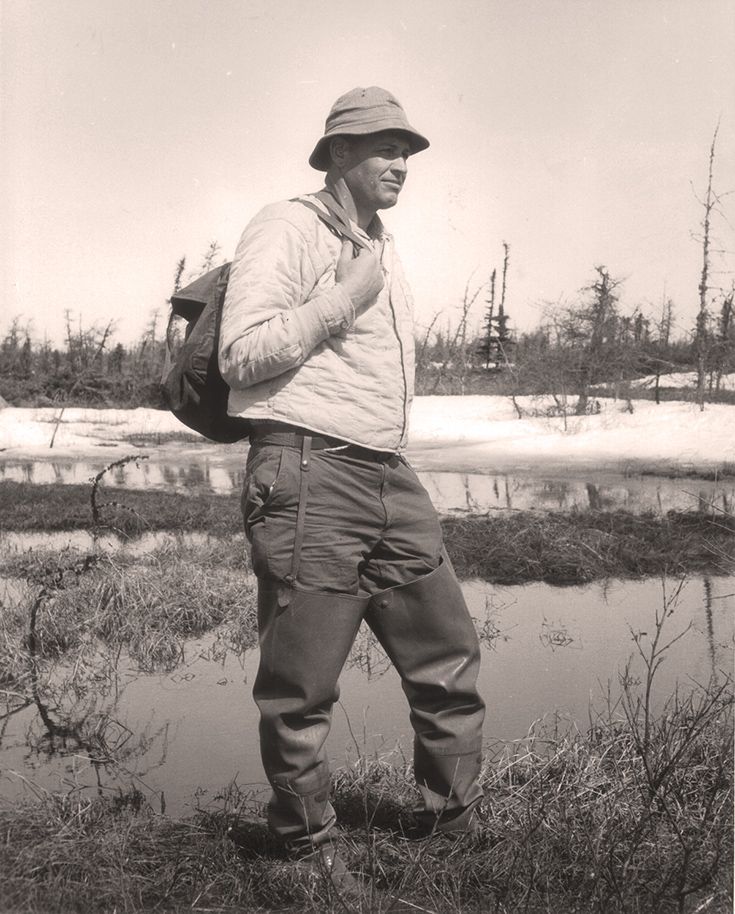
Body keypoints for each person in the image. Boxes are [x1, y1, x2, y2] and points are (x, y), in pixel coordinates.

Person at [218, 86, 485, 880]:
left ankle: (450, 824)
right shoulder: (289, 226)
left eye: (406, 149)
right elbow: (241, 357)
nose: (400, 161)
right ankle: (304, 849)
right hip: (308, 470)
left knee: (448, 654)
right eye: (382, 147)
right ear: (336, 152)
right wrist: (344, 299)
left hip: (385, 474)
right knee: (301, 683)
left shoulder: (376, 239)